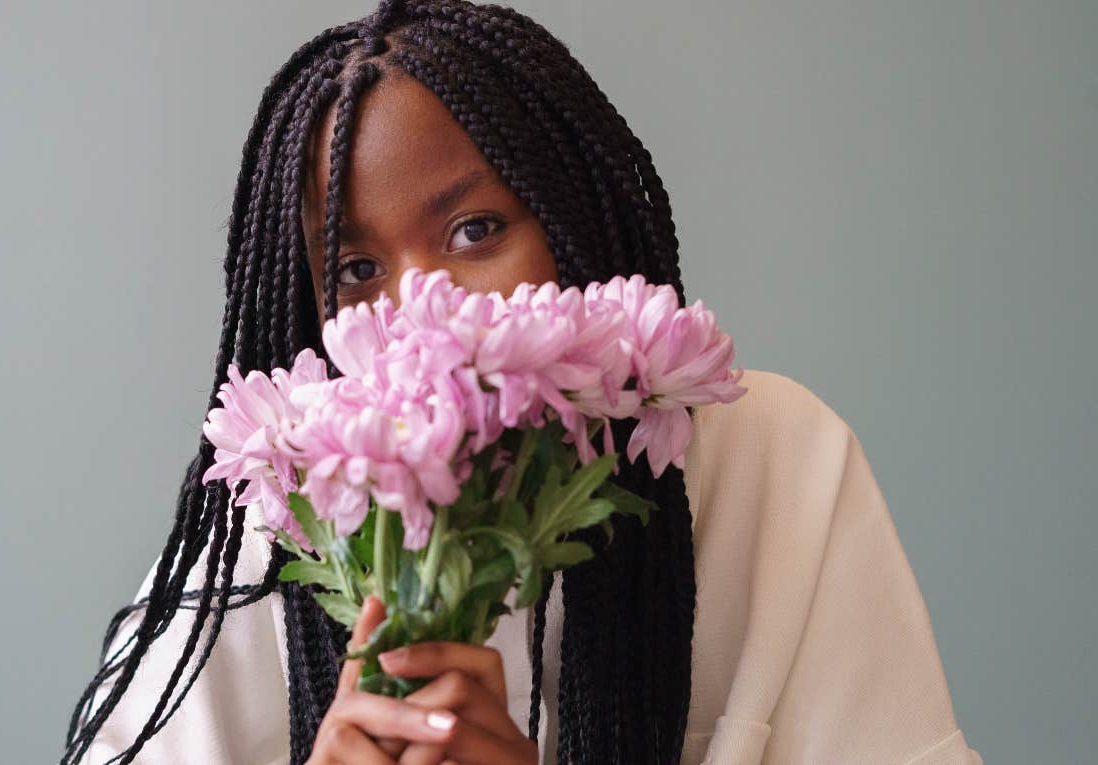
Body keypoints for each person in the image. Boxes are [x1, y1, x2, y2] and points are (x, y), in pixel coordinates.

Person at [60, 2, 983, 763]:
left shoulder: (782, 464)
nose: (421, 309)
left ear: (572, 221)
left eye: (473, 230)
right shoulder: (282, 520)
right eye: (354, 271)